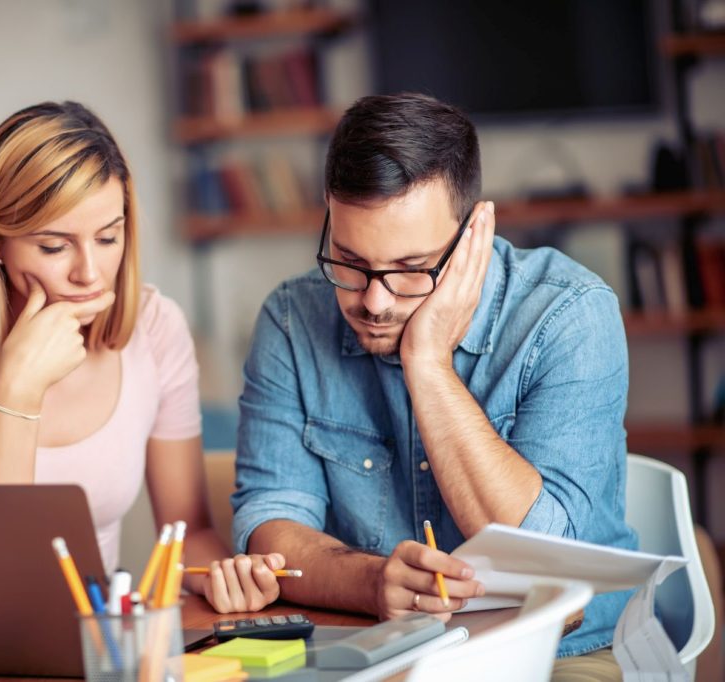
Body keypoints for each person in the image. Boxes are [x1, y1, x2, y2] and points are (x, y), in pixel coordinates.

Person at [233, 93, 636, 677]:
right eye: (349, 262)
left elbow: (543, 555)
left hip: (561, 650)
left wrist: (428, 362)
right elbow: (270, 522)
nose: (373, 301)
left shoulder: (571, 315)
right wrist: (371, 581)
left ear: (472, 233)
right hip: (370, 645)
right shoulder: (292, 320)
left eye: (409, 271)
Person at [0, 101, 283, 614]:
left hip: (98, 640)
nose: (89, 272)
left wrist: (223, 574)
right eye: (53, 246)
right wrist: (17, 393)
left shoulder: (156, 328)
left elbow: (189, 535)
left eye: (108, 237)